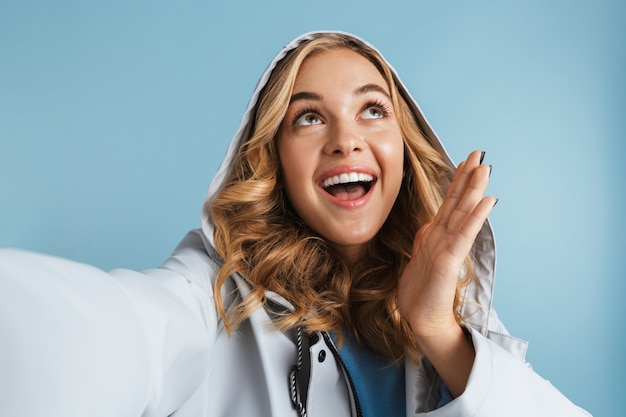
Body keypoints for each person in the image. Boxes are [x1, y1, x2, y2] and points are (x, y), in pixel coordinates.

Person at [0, 31, 591, 417]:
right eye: (308, 117)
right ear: (274, 160)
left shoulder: (451, 310)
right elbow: (118, 328)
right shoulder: (211, 293)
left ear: (402, 147)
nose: (345, 139)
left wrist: (438, 331)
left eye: (372, 109)